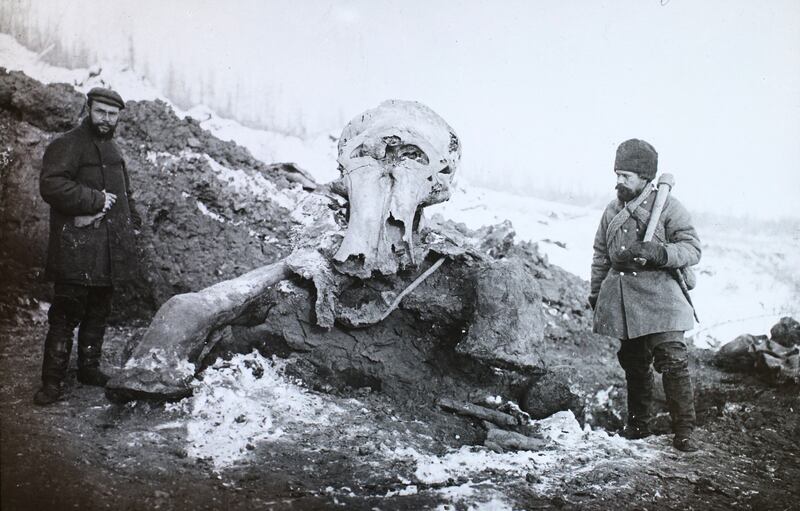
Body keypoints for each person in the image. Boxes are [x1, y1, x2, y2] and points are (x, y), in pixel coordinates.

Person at [589, 139, 701, 452]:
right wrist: (596, 293)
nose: (619, 182)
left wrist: (659, 252)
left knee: (673, 361)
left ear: (645, 179)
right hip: (626, 299)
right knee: (634, 363)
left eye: (626, 176)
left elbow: (692, 249)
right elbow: (601, 254)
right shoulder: (612, 210)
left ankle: (685, 432)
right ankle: (638, 426)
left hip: (662, 297)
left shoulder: (668, 206)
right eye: (617, 174)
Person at [34, 87, 142, 405]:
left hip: (108, 251)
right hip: (76, 247)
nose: (106, 119)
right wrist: (94, 199)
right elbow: (51, 185)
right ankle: (51, 382)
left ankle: (88, 370)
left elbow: (126, 197)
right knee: (65, 314)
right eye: (100, 112)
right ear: (88, 109)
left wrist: (130, 229)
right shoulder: (67, 144)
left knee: (98, 311)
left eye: (112, 114)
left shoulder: (115, 151)